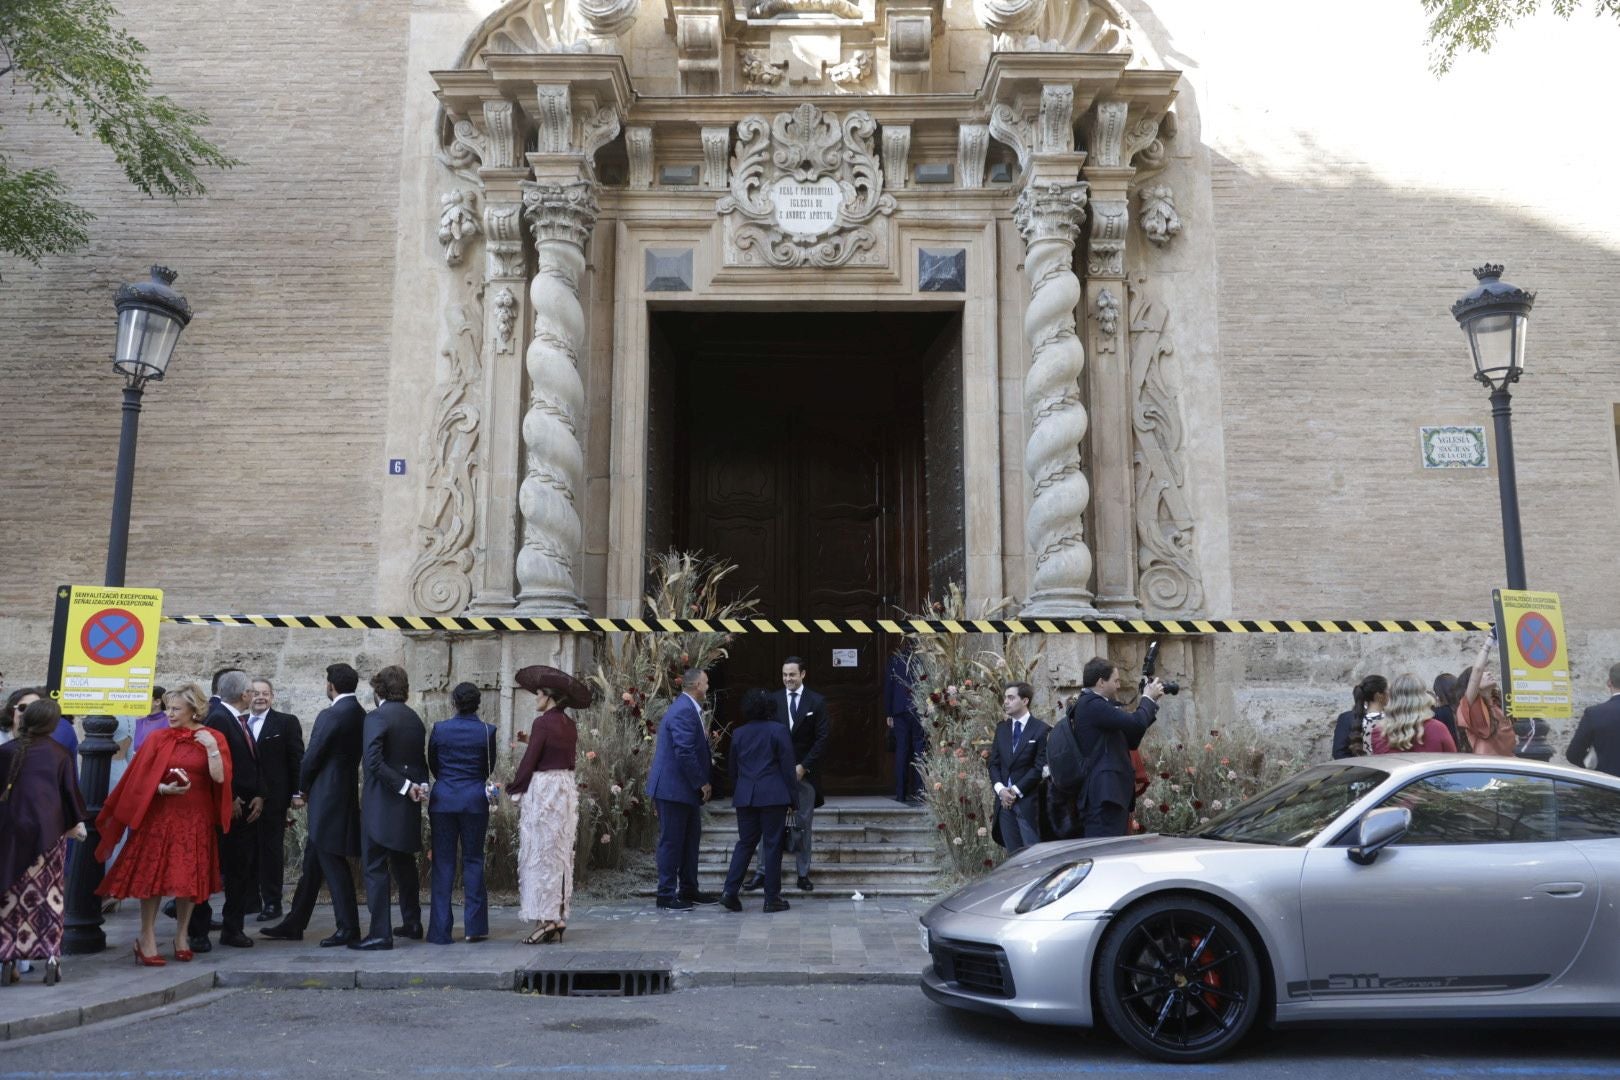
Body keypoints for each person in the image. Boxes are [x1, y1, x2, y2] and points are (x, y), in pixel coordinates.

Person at [97, 684, 233, 966]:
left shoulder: (213, 737)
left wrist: (211, 748)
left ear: (194, 710)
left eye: (175, 709)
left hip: (195, 817)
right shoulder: (158, 738)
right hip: (160, 816)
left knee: (188, 880)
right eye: (168, 708)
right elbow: (138, 778)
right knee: (154, 879)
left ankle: (181, 936)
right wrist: (160, 789)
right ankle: (146, 937)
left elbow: (220, 779)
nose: (168, 713)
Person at [261, 663, 365, 946]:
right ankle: (295, 923)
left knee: (331, 861)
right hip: (341, 795)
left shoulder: (332, 714)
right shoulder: (359, 713)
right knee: (314, 863)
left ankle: (348, 927)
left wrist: (301, 790)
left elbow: (312, 755)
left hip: (326, 797)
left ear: (331, 685)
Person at [0, 698, 89, 985]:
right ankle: (51, 954)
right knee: (49, 898)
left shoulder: (6, 752)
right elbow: (70, 797)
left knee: (10, 897)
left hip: (10, 836)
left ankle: (8, 956)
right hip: (49, 837)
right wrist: (76, 825)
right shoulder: (59, 753)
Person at [507, 665, 591, 943]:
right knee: (558, 854)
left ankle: (546, 919)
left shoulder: (542, 722)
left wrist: (514, 788)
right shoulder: (569, 725)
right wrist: (530, 741)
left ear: (549, 696)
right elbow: (555, 751)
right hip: (564, 790)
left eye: (539, 694)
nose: (536, 698)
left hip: (544, 792)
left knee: (541, 855)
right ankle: (557, 915)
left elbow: (531, 760)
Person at [185, 670, 263, 951]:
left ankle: (233, 928)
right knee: (212, 869)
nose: (255, 695)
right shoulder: (218, 718)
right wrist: (229, 799)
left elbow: (249, 762)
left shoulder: (238, 719)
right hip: (225, 811)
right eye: (252, 691)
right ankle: (199, 931)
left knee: (239, 871)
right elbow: (211, 766)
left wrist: (258, 795)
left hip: (243, 808)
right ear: (244, 695)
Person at [354, 665, 429, 951]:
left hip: (382, 804)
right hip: (408, 803)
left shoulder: (377, 717)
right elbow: (419, 760)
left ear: (378, 689)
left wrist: (403, 786)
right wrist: (419, 785)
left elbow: (372, 762)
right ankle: (412, 922)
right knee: (404, 864)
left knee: (375, 867)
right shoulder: (414, 719)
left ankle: (380, 933)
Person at [426, 682, 498, 945]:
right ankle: (474, 927)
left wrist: (447, 781)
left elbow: (432, 763)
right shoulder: (486, 731)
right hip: (474, 800)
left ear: (453, 702)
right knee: (473, 860)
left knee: (443, 863)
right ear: (478, 703)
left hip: (443, 798)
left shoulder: (440, 729)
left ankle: (440, 931)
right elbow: (488, 767)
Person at [748, 657, 828, 893]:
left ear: (803, 674)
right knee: (768, 825)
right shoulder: (771, 700)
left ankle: (803, 874)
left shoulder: (817, 701)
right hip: (775, 776)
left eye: (792, 674)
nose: (787, 679)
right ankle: (762, 872)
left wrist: (804, 767)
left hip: (805, 776)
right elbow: (765, 735)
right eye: (784, 675)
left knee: (803, 825)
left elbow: (822, 739)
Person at [719, 689, 797, 914]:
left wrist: (741, 789)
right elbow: (787, 769)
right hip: (774, 796)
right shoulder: (779, 730)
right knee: (772, 846)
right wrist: (793, 800)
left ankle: (729, 892)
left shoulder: (739, 733)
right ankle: (772, 898)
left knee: (744, 843)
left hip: (746, 796)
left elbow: (732, 769)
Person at [646, 667, 718, 911]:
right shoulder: (683, 711)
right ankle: (666, 894)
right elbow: (684, 751)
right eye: (706, 683)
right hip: (673, 789)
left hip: (682, 789)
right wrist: (702, 782)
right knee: (672, 841)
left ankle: (689, 889)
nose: (708, 687)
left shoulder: (688, 709)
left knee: (689, 841)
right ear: (697, 685)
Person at [1070, 657, 1164, 838]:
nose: (1119, 685)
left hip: (1109, 796)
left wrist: (1151, 704)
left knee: (1113, 852)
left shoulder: (1093, 704)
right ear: (1101, 682)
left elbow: (1131, 738)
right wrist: (1147, 699)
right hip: (1104, 797)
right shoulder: (1092, 704)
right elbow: (1135, 723)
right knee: (1106, 854)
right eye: (1116, 680)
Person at [246, 678, 305, 922]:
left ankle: (272, 902)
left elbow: (296, 759)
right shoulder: (239, 722)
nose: (260, 697)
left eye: (265, 693)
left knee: (271, 850)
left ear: (272, 696)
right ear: (247, 695)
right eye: (256, 693)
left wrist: (297, 792)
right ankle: (249, 900)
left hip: (275, 797)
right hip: (245, 798)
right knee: (246, 850)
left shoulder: (286, 722)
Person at [988, 682, 1049, 854]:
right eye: (1005, 697)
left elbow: (1039, 767)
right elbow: (994, 763)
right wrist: (1001, 790)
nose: (1005, 701)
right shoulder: (1001, 729)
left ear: (1025, 700)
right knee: (1014, 859)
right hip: (1004, 806)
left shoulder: (1041, 729)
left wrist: (1014, 791)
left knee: (1034, 856)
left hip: (1028, 803)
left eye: (1011, 697)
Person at [1369, 673, 1457, 754]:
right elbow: (1453, 764)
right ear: (1422, 698)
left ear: (1392, 699)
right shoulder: (1437, 729)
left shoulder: (1380, 732)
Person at [1457, 639, 1515, 756]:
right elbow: (1477, 670)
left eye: (1488, 671)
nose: (1488, 673)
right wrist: (1488, 643)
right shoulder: (1472, 707)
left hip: (1507, 765)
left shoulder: (1499, 703)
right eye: (1484, 672)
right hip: (1487, 767)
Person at [884, 642, 925, 803]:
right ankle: (920, 792)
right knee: (919, 751)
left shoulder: (895, 660)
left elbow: (889, 687)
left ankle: (901, 794)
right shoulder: (922, 659)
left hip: (899, 710)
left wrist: (888, 713)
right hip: (919, 710)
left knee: (901, 751)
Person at [1567, 662, 1620, 776]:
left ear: (1609, 682)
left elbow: (1573, 754)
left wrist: (1594, 767)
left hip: (1606, 786)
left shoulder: (1595, 714)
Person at [1331, 675, 1387, 759]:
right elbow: (1339, 754)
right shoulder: (1347, 718)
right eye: (1389, 690)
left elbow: (1339, 753)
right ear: (1379, 695)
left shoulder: (1346, 718)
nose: (1391, 694)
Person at [130, 687, 168, 756]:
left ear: (157, 702)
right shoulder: (137, 722)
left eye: (145, 697)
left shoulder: (169, 723)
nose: (141, 700)